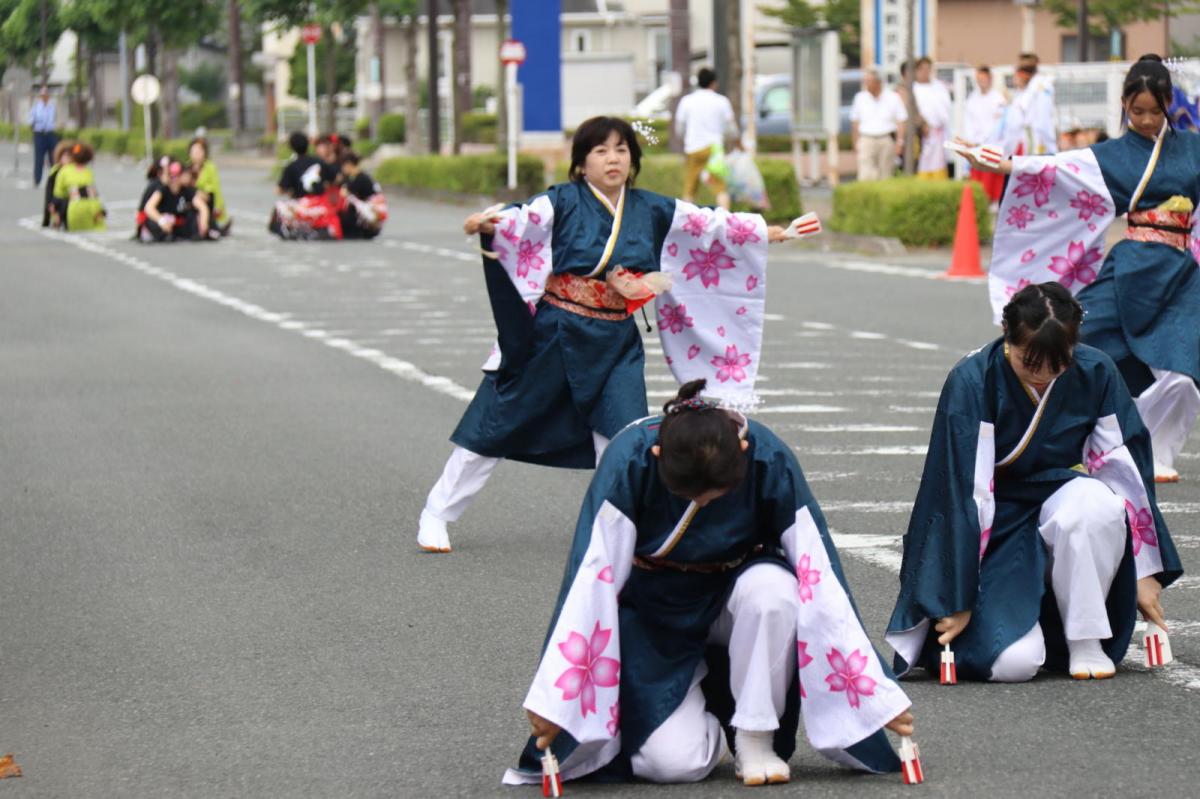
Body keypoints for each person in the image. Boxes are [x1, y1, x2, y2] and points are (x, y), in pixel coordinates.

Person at [418, 116, 803, 553]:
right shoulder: (561, 201)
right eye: (600, 151)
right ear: (582, 163)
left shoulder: (653, 208)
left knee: (626, 436)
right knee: (496, 424)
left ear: (633, 159)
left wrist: (767, 233)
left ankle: (617, 528)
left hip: (616, 339)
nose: (612, 159)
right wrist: (488, 224)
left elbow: (708, 224)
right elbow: (521, 218)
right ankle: (437, 512)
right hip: (556, 333)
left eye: (621, 150)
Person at [503, 380, 916, 788]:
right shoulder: (631, 459)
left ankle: (755, 737)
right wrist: (558, 698)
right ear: (658, 454)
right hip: (653, 613)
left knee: (777, 593)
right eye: (690, 494)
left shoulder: (767, 456)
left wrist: (874, 692)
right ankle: (709, 715)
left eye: (715, 494)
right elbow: (590, 578)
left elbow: (821, 575)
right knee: (670, 765)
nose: (701, 502)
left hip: (734, 592)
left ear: (742, 451)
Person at [886, 284, 1182, 683]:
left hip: (1059, 496)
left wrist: (1145, 571)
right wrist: (955, 595)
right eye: (1030, 362)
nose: (1042, 375)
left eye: (1057, 364)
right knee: (1012, 664)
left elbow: (1122, 469)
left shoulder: (1096, 370)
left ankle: (1086, 639)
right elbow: (961, 492)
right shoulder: (973, 379)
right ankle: (1033, 624)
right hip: (993, 524)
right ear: (1007, 336)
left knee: (1099, 503)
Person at [967, 54, 1200, 482]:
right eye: (1137, 111)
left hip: (1182, 274)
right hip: (1133, 266)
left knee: (1184, 369)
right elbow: (1058, 170)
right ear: (1125, 107)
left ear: (1169, 103)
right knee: (1078, 338)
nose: (1147, 120)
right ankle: (1053, 431)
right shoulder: (1112, 155)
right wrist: (1005, 165)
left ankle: (1155, 449)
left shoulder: (1192, 148)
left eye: (1155, 110)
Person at [674, 67, 736, 209]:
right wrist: (735, 141)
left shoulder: (686, 101)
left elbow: (680, 127)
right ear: (714, 83)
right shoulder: (721, 101)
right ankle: (725, 220)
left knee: (690, 189)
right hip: (714, 149)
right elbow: (731, 127)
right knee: (720, 188)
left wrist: (685, 140)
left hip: (693, 148)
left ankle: (685, 223)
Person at [271, 131, 342, 240]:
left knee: (279, 208)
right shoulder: (319, 162)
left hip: (301, 206)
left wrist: (289, 191)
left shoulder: (291, 166)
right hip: (321, 206)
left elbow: (279, 190)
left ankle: (295, 231)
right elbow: (337, 179)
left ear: (292, 147)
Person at [994, 54, 1057, 158]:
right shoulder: (1025, 91)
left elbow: (1042, 121)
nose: (1014, 78)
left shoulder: (1041, 88)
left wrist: (1048, 147)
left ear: (1022, 74)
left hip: (1036, 140)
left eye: (1015, 74)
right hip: (1024, 139)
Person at [850, 70, 908, 182]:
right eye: (865, 81)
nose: (866, 84)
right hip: (866, 138)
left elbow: (901, 121)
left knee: (886, 174)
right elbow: (855, 122)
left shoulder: (893, 97)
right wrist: (855, 142)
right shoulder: (860, 97)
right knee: (866, 174)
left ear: (878, 82)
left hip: (886, 138)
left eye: (869, 81)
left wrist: (900, 142)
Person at [137, 160, 210, 242]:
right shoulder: (163, 190)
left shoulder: (186, 191)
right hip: (162, 220)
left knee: (192, 217)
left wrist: (204, 223)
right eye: (172, 176)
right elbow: (149, 208)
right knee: (153, 224)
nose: (174, 180)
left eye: (177, 176)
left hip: (176, 223)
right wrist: (162, 221)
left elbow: (202, 207)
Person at [963, 66, 1007, 203]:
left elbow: (999, 124)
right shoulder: (972, 98)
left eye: (984, 79)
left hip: (992, 144)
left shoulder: (998, 99)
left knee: (992, 177)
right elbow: (968, 121)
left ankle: (994, 202)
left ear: (990, 79)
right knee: (977, 177)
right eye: (979, 79)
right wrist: (972, 140)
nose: (981, 82)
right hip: (975, 144)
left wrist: (985, 139)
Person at [912, 57, 952, 179]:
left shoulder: (939, 87)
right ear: (916, 71)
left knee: (938, 163)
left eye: (928, 69)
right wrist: (922, 125)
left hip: (938, 132)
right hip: (920, 134)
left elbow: (946, 109)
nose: (925, 72)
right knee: (923, 163)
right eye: (922, 69)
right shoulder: (913, 88)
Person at [52, 142, 106, 232]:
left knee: (75, 231)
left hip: (75, 206)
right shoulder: (88, 172)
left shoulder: (64, 171)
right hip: (93, 207)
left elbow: (59, 194)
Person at [338, 152, 387, 239]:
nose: (342, 169)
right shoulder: (361, 177)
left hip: (369, 219)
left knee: (348, 207)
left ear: (348, 164)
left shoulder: (360, 179)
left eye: (343, 165)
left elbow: (345, 194)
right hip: (373, 218)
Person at [189, 138, 231, 236]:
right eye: (193, 151)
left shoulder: (210, 168)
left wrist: (218, 207)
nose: (196, 154)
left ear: (204, 152)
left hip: (207, 199)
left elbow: (215, 189)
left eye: (198, 151)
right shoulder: (188, 168)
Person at [28, 86, 58, 187]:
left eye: (46, 95)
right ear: (40, 96)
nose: (44, 97)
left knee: (53, 158)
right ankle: (37, 180)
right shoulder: (36, 107)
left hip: (50, 133)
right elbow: (31, 120)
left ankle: (54, 180)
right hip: (39, 134)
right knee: (39, 158)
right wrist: (34, 126)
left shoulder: (52, 106)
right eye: (42, 95)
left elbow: (54, 119)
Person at [42, 140, 73, 228]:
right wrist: (46, 220)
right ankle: (58, 218)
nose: (69, 159)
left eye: (71, 156)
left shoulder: (75, 171)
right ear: (60, 157)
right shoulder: (55, 172)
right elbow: (48, 195)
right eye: (66, 156)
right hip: (58, 203)